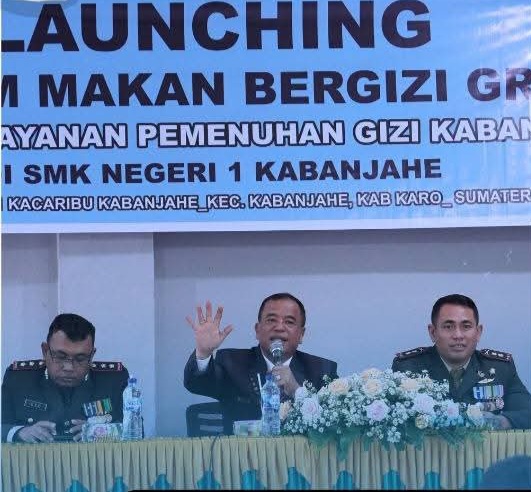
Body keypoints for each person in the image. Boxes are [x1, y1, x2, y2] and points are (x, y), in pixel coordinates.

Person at [183, 292, 338, 434]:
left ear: (301, 334)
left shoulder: (322, 370)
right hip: (243, 454)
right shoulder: (232, 363)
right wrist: (203, 353)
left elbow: (336, 423)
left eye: (289, 322)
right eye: (271, 320)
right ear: (257, 330)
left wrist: (297, 390)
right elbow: (197, 384)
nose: (279, 327)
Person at [392, 294, 531, 429]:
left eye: (466, 326)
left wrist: (499, 422)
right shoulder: (408, 368)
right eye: (448, 326)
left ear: (478, 332)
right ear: (433, 332)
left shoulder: (500, 368)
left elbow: (527, 413)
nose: (458, 335)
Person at [1, 313, 129, 443]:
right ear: (45, 351)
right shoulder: (19, 380)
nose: (69, 367)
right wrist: (18, 432)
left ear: (91, 356)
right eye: (60, 356)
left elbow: (134, 429)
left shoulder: (114, 381)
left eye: (80, 359)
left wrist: (103, 431)